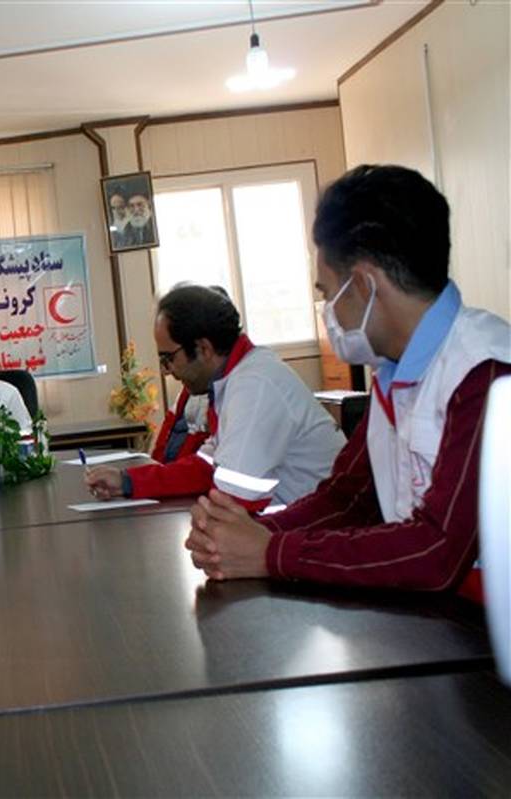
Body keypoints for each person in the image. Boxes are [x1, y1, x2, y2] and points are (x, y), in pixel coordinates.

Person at [185, 165, 511, 594]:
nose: (329, 311)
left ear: (361, 285)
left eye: (326, 293)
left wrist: (271, 553)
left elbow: (437, 552)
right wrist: (242, 536)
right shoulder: (394, 374)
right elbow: (347, 499)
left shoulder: (485, 374)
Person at [86, 284, 344, 507]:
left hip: (314, 530)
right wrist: (127, 482)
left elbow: (236, 498)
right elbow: (206, 467)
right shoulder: (232, 382)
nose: (166, 370)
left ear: (203, 348)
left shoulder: (254, 385)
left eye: (168, 358)